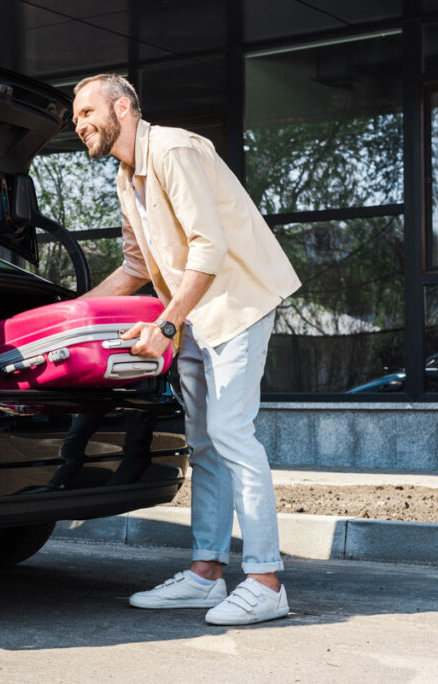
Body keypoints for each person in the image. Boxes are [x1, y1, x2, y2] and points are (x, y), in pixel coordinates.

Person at [72, 74, 301, 626]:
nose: (79, 124)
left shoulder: (172, 150)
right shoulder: (128, 177)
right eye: (75, 117)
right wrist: (68, 314)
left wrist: (166, 325)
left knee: (230, 433)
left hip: (237, 303)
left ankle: (267, 582)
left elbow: (210, 246)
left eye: (86, 112)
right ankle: (205, 576)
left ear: (122, 108)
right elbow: (133, 266)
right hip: (195, 314)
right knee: (203, 443)